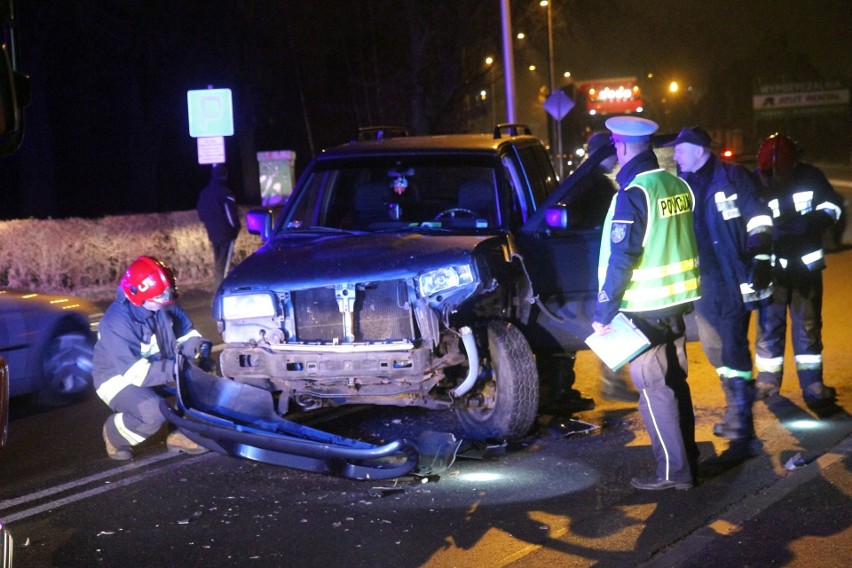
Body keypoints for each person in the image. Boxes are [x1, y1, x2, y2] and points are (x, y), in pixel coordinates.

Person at [592, 116, 701, 491]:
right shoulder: (677, 185)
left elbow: (623, 257)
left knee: (654, 391)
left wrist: (603, 312)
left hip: (642, 309)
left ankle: (674, 472)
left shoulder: (634, 193)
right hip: (676, 304)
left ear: (622, 148)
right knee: (674, 383)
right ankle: (689, 461)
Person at [665, 126, 774, 441]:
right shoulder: (681, 185)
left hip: (733, 275)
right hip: (703, 281)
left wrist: (761, 256)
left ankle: (741, 416)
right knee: (714, 348)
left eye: (680, 149)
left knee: (732, 342)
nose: (675, 155)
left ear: (699, 149)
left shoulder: (733, 177)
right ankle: (736, 405)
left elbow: (758, 216)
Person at [753, 133, 843, 408]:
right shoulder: (756, 181)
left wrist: (811, 223)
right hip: (773, 268)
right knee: (769, 326)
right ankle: (768, 381)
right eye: (769, 172)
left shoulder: (811, 176)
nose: (773, 176)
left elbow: (833, 207)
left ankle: (812, 384)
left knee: (808, 326)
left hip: (805, 269)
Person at [93, 256, 212, 460]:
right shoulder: (117, 322)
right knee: (152, 413)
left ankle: (180, 434)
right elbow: (134, 373)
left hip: (157, 367)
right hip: (116, 377)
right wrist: (177, 369)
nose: (166, 301)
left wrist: (199, 349)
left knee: (201, 379)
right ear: (139, 296)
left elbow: (187, 333)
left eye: (168, 294)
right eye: (159, 297)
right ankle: (114, 434)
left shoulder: (163, 302)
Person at [197, 164, 240, 287]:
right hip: (227, 232)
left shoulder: (205, 193)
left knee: (219, 261)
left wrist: (209, 224)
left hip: (212, 232)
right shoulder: (225, 193)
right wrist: (236, 227)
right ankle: (221, 288)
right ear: (224, 176)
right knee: (225, 262)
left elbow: (201, 213)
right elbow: (230, 214)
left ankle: (218, 285)